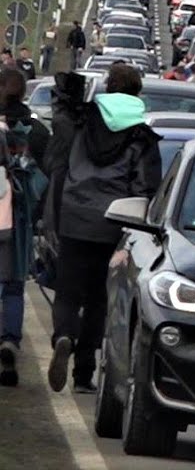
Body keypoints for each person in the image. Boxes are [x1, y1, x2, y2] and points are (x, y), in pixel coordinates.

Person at [46, 64, 161, 393]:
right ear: (138, 91)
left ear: (108, 87)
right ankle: (83, 374)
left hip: (73, 217)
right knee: (100, 298)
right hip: (114, 224)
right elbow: (144, 187)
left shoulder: (83, 120)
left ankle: (64, 334)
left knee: (67, 291)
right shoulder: (141, 136)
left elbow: (59, 137)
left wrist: (65, 91)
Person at [0, 69, 50, 386]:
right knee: (14, 284)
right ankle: (9, 341)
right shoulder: (36, 130)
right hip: (16, 216)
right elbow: (47, 175)